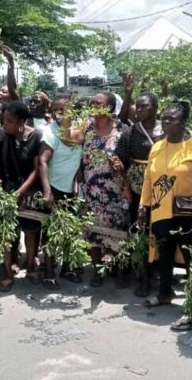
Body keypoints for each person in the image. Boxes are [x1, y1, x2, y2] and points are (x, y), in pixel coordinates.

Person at [138, 102, 192, 312]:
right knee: (165, 254)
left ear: (183, 122)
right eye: (165, 118)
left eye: (172, 119)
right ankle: (164, 293)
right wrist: (143, 205)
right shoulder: (157, 147)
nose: (166, 122)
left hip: (187, 212)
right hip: (161, 210)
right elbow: (148, 179)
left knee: (191, 256)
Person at [0, 101, 43, 292]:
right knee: (7, 233)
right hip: (5, 190)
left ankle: (31, 266)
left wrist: (21, 192)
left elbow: (36, 170)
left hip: (29, 192)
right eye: (4, 120)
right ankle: (8, 272)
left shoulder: (36, 137)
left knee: (31, 230)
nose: (5, 124)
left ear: (22, 122)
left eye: (9, 121)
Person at [115, 89, 164, 297]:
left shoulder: (168, 128)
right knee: (141, 232)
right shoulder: (130, 132)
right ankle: (143, 278)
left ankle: (160, 274)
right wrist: (125, 187)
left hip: (164, 189)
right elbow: (122, 162)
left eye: (145, 106)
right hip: (138, 189)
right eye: (139, 105)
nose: (140, 109)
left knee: (162, 232)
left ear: (156, 108)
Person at [82, 91, 129, 288]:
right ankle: (97, 270)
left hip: (114, 191)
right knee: (91, 231)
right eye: (91, 102)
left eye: (98, 103)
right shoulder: (87, 129)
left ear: (109, 108)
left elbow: (130, 161)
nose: (93, 105)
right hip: (91, 190)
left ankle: (119, 271)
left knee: (117, 230)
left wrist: (126, 184)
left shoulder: (122, 130)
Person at [38, 94, 84, 287]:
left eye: (64, 109)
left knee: (71, 231)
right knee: (50, 233)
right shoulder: (51, 132)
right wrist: (47, 191)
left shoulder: (79, 130)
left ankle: (67, 267)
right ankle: (49, 272)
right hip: (54, 188)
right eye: (56, 109)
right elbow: (42, 161)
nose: (60, 113)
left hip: (71, 191)